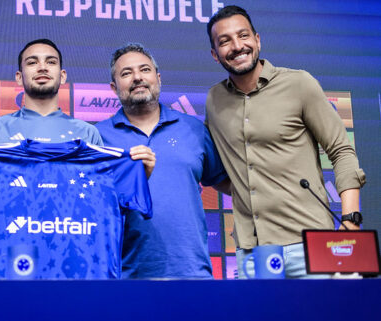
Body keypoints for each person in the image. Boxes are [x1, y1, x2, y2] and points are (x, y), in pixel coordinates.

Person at [205, 5, 366, 278]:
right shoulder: (214, 100)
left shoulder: (299, 84)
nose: (236, 46)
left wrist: (350, 220)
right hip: (252, 252)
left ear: (257, 39)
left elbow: (341, 151)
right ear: (214, 54)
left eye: (243, 36)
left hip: (310, 244)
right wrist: (250, 188)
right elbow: (218, 172)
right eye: (225, 41)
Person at [0, 39, 155, 232]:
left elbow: (105, 201)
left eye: (51, 62)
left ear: (62, 76)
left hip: (72, 253)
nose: (42, 67)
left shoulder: (87, 133)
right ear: (18, 76)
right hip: (10, 255)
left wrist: (137, 175)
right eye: (32, 62)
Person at [96, 43, 230, 279]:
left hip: (192, 274)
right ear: (113, 87)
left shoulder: (194, 129)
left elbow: (225, 182)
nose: (137, 77)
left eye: (145, 70)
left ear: (158, 78)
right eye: (126, 73)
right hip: (126, 277)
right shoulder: (98, 137)